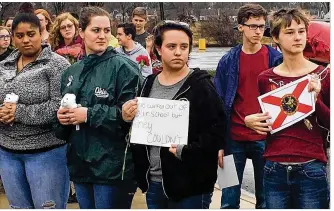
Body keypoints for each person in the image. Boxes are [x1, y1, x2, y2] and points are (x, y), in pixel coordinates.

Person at [122, 21, 226, 209]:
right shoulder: (148, 83)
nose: (178, 52)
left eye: (184, 47)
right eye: (171, 46)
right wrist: (127, 117)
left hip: (190, 186)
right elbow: (138, 130)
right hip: (153, 183)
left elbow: (216, 135)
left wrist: (185, 151)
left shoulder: (201, 86)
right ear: (159, 49)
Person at [56, 6, 142, 209]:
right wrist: (61, 119)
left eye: (106, 30)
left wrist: (88, 114)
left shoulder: (125, 68)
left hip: (111, 167)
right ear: (82, 32)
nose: (103, 36)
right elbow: (63, 126)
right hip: (80, 164)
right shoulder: (71, 71)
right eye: (96, 30)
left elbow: (130, 118)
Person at [246, 8, 330, 209]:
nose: (298, 37)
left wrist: (315, 100)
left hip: (311, 166)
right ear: (276, 37)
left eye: (301, 31)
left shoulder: (324, 75)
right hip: (274, 166)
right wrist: (250, 122)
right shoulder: (265, 79)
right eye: (290, 32)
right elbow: (267, 120)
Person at [0, 3, 70, 208]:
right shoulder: (4, 65)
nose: (26, 40)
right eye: (19, 36)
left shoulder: (56, 64)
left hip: (46, 152)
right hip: (7, 152)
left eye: (31, 34)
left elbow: (60, 106)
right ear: (13, 38)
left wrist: (18, 112)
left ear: (41, 33)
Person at [214, 4, 281, 209]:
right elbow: (217, 104)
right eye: (253, 26)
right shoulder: (227, 61)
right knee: (228, 201)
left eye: (261, 26)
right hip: (231, 138)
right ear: (240, 27)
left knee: (267, 200)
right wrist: (219, 144)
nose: (258, 31)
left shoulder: (275, 59)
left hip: (266, 140)